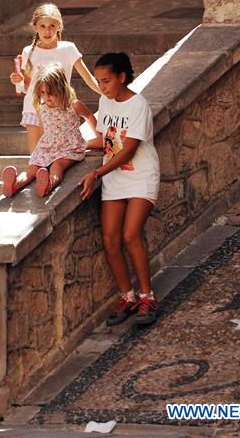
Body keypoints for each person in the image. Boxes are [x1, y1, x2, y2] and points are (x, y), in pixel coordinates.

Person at [79, 52, 161, 326]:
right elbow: (104, 139)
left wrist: (95, 173)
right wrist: (73, 145)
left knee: (130, 234)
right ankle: (128, 297)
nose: (102, 88)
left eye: (106, 81)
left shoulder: (138, 106)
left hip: (140, 175)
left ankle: (147, 297)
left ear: (122, 77)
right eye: (99, 82)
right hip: (115, 177)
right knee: (110, 239)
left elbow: (127, 151)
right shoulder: (106, 101)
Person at [9, 3, 100, 153]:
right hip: (33, 109)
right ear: (35, 27)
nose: (47, 30)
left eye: (52, 25)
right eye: (43, 26)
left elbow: (88, 78)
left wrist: (106, 93)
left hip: (61, 110)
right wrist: (17, 81)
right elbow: (27, 88)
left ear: (59, 26)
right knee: (36, 156)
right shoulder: (28, 52)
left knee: (57, 154)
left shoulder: (68, 49)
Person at [2, 63, 96, 198]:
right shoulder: (42, 108)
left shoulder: (74, 105)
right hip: (48, 146)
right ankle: (14, 184)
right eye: (42, 93)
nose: (47, 97)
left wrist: (99, 134)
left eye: (51, 93)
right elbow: (44, 129)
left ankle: (48, 184)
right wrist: (40, 150)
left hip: (69, 148)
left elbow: (89, 116)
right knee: (32, 168)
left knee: (57, 166)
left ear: (61, 88)